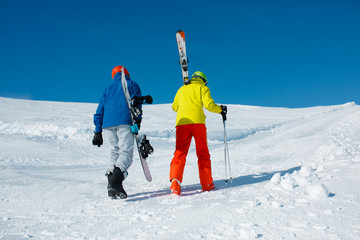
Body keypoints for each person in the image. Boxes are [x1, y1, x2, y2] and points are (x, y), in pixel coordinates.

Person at [170, 71, 227, 195]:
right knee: (202, 153)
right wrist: (221, 110)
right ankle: (207, 184)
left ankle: (175, 184)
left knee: (180, 153)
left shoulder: (181, 89)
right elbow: (209, 105)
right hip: (198, 123)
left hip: (182, 123)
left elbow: (174, 107)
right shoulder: (203, 88)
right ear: (203, 80)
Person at [92, 66, 142, 199]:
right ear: (127, 73)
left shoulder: (107, 89)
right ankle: (116, 182)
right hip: (125, 122)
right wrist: (137, 122)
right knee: (126, 153)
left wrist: (97, 132)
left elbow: (99, 110)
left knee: (114, 153)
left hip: (108, 125)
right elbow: (137, 105)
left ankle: (112, 187)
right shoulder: (131, 85)